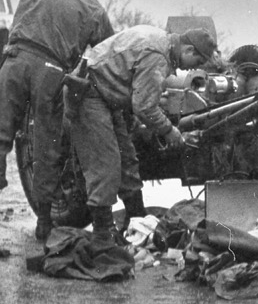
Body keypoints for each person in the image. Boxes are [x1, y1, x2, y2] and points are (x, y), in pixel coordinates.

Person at [0, 0, 116, 239]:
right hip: (50, 71)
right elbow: (107, 52)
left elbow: (19, 19)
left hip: (15, 60)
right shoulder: (95, 10)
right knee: (46, 143)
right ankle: (45, 221)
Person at [68, 25, 216, 244]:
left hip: (107, 95)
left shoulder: (159, 40)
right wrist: (170, 131)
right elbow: (145, 108)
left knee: (127, 158)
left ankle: (136, 217)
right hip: (90, 94)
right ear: (189, 51)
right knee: (106, 163)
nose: (190, 70)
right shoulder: (158, 56)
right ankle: (103, 234)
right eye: (197, 63)